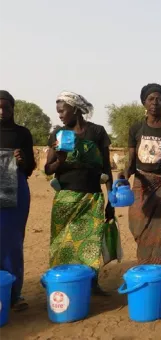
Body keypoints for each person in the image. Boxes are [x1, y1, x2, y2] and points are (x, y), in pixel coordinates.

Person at [45, 91, 114, 296]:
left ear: (75, 109)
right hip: (66, 197)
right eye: (58, 112)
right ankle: (62, 283)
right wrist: (60, 159)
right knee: (61, 243)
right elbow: (48, 169)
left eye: (62, 110)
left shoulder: (97, 132)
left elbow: (107, 168)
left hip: (92, 197)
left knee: (90, 244)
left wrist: (111, 200)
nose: (60, 115)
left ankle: (91, 283)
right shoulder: (57, 134)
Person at [123, 83, 161, 304]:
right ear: (144, 102)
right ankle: (150, 282)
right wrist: (123, 176)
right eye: (151, 99)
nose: (155, 103)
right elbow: (131, 161)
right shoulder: (136, 129)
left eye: (159, 99)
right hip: (142, 187)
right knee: (142, 231)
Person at [0, 90, 35, 311]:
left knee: (12, 243)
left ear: (14, 108)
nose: (2, 111)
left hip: (15, 189)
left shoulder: (22, 133)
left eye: (7, 107)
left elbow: (30, 168)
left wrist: (22, 160)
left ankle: (13, 294)